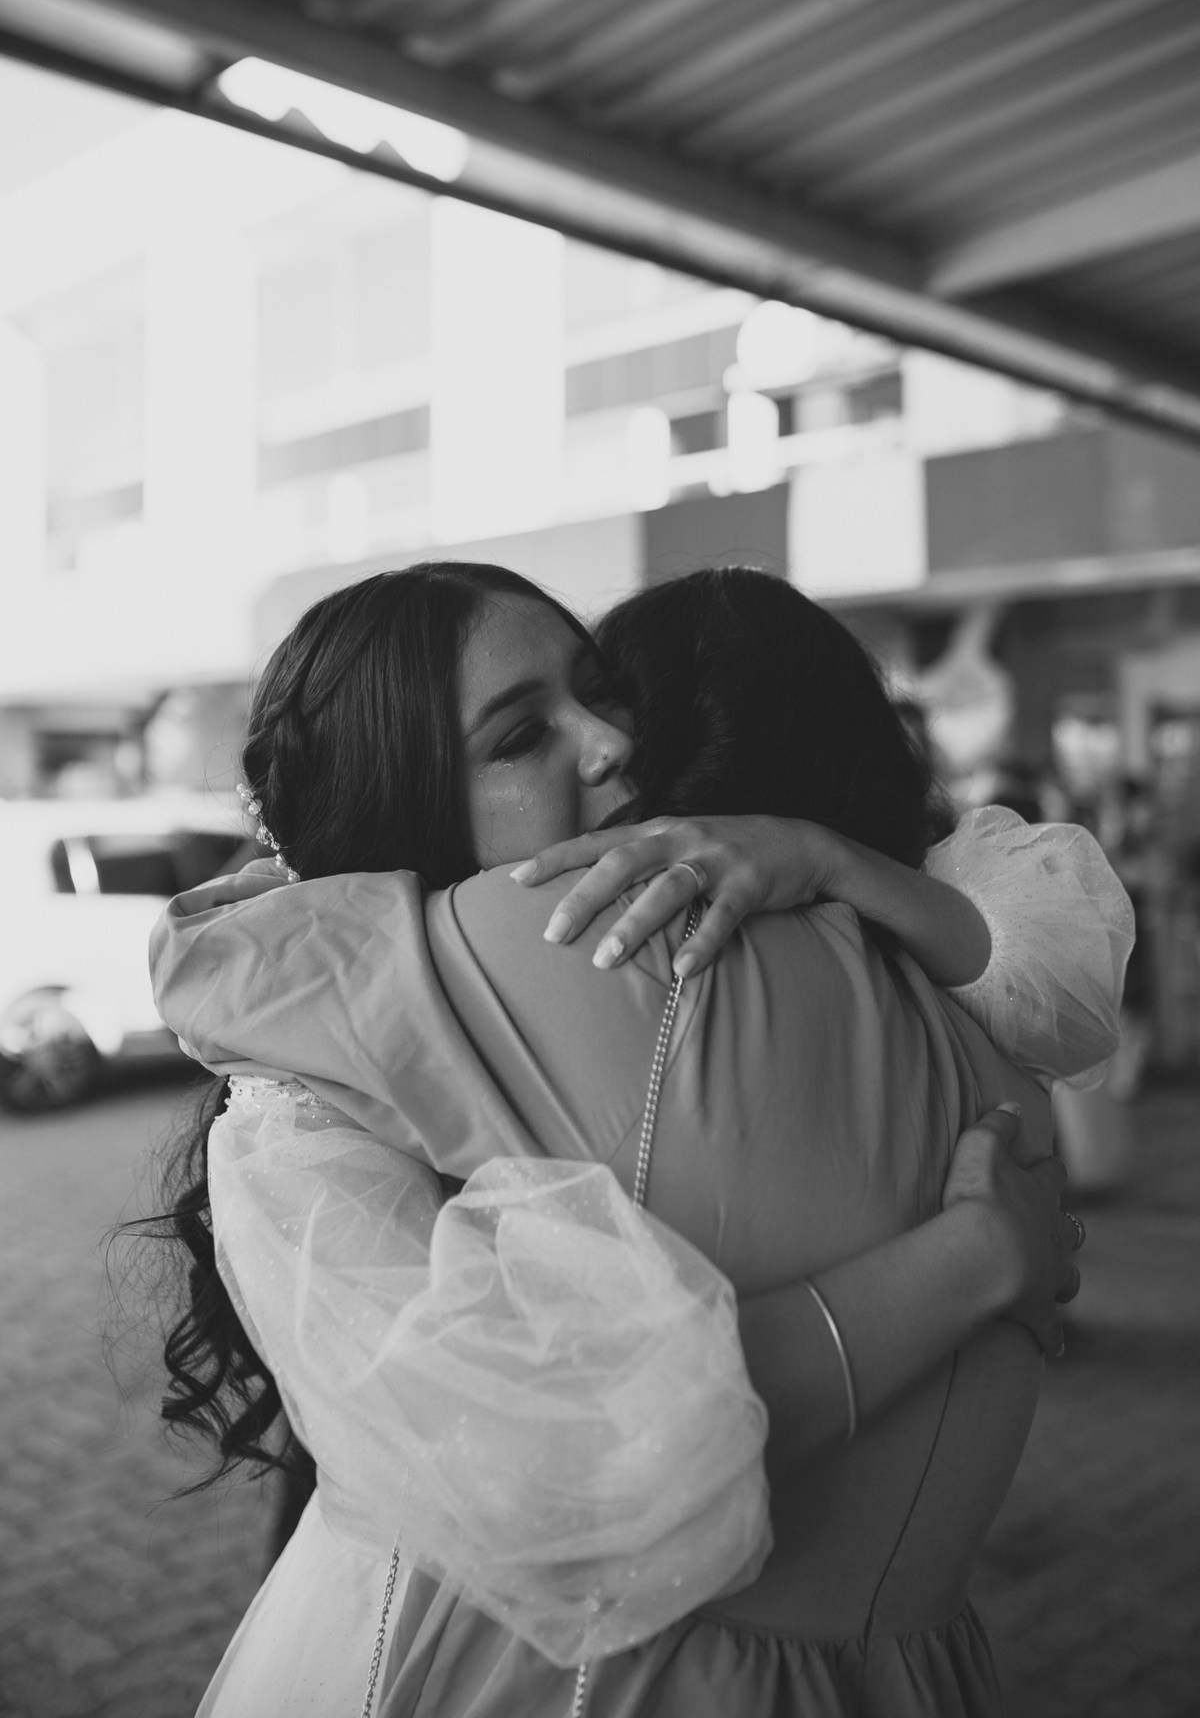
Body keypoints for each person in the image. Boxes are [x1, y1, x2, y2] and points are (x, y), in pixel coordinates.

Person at [148, 564, 1119, 1717]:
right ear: (405, 792)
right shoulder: (323, 1079)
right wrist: (971, 1261)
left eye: (603, 695)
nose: (612, 744)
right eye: (522, 736)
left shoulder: (605, 954)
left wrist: (826, 857)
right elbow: (566, 1467)